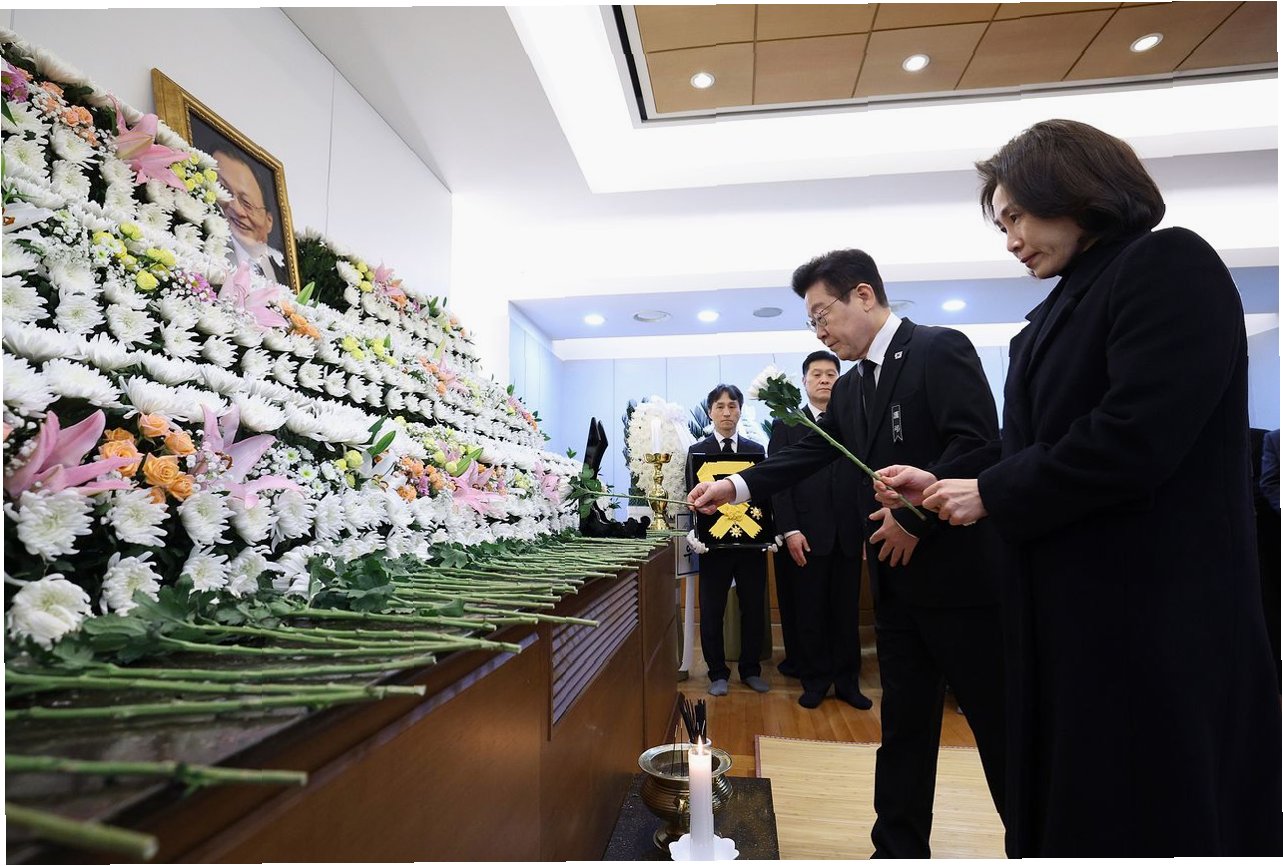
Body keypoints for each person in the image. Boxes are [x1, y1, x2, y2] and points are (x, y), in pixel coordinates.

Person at [876, 119, 1283, 856]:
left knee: (1144, 811)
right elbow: (1037, 441)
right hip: (1071, 611)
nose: (1011, 240)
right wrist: (950, 480)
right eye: (1002, 225)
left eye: (1017, 217)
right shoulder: (1057, 309)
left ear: (1073, 190)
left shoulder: (1167, 262)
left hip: (1149, 613)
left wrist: (991, 492)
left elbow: (1133, 435)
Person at [689, 250, 1008, 858]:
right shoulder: (855, 385)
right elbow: (810, 453)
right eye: (811, 322)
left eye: (821, 315)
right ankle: (896, 849)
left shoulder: (939, 349)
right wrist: (736, 487)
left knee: (999, 728)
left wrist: (914, 518)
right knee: (903, 728)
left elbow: (978, 448)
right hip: (895, 586)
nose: (819, 332)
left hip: (960, 584)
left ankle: (1033, 844)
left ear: (863, 295)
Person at [769, 350, 871, 710]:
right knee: (810, 611)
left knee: (846, 613)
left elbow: (865, 478)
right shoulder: (787, 425)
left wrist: (865, 529)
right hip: (807, 535)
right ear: (804, 381)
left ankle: (847, 683)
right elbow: (779, 482)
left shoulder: (856, 422)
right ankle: (815, 681)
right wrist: (790, 529)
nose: (825, 379)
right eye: (817, 374)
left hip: (848, 534)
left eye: (831, 374)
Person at [686, 384, 770, 697]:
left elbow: (763, 496)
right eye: (720, 406)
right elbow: (691, 497)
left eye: (732, 406)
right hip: (713, 546)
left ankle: (750, 669)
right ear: (710, 412)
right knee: (712, 610)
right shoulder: (697, 451)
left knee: (753, 607)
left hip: (751, 545)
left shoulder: (756, 451)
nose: (726, 412)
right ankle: (717, 672)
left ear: (740, 410)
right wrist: (695, 532)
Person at [212, 146, 284, 283]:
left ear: (269, 221)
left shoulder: (282, 263)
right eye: (223, 190)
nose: (236, 209)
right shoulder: (210, 253)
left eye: (247, 203)